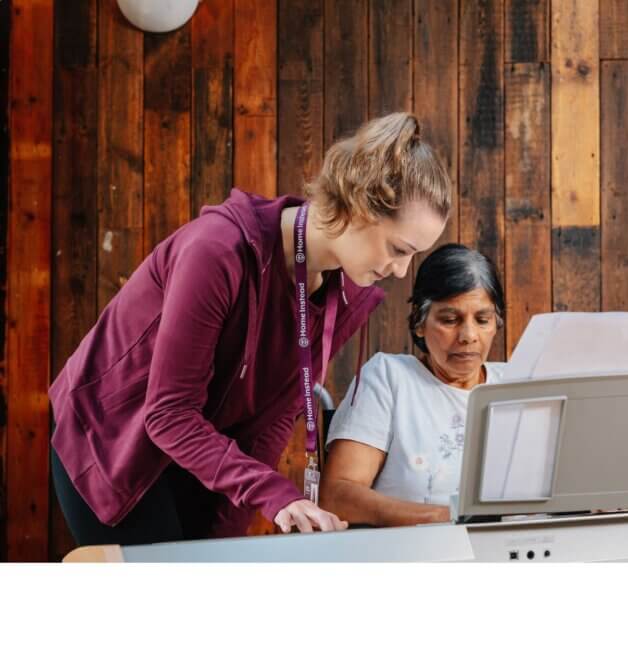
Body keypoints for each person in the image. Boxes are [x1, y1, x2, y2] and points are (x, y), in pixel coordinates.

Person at [49, 112, 450, 545]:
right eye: (399, 249)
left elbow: (274, 417)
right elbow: (168, 414)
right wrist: (275, 495)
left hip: (201, 450)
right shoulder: (217, 251)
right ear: (358, 207)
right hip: (116, 439)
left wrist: (230, 536)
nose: (401, 270)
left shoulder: (351, 292)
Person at [319, 244, 506, 527]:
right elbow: (338, 496)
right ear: (420, 322)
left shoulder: (517, 383)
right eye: (450, 320)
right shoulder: (389, 378)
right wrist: (448, 518)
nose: (468, 336)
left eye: (482, 320)